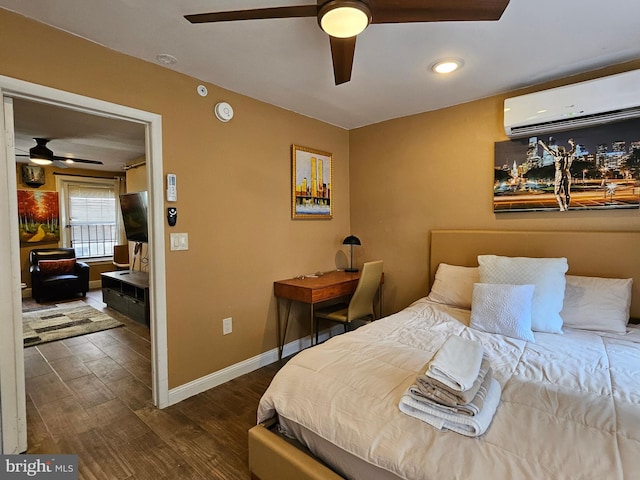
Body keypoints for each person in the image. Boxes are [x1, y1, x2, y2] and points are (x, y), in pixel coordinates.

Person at [538, 137, 576, 211]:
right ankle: (566, 206)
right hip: (567, 173)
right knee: (567, 192)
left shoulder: (557, 155)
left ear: (558, 151)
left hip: (559, 173)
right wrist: (572, 143)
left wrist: (542, 144)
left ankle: (561, 206)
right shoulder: (569, 155)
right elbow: (574, 149)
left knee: (557, 192)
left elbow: (548, 150)